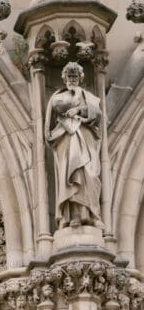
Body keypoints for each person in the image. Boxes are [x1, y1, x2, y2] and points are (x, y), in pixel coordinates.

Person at [45, 61, 102, 228]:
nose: (72, 79)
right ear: (64, 78)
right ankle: (73, 215)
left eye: (75, 76)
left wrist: (79, 109)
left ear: (80, 78)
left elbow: (97, 114)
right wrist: (75, 99)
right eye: (69, 76)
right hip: (67, 136)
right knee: (70, 175)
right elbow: (58, 106)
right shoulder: (59, 96)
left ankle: (90, 213)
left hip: (85, 136)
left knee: (88, 174)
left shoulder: (87, 96)